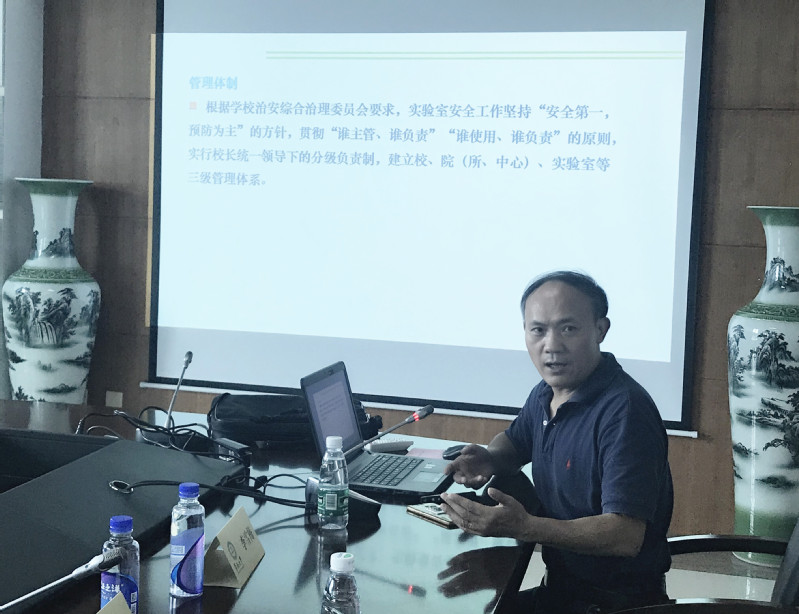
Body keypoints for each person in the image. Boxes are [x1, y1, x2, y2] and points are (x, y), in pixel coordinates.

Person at [439, 270, 673, 614]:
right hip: (561, 591)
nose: (551, 346)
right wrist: (489, 458)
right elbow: (515, 442)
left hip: (615, 604)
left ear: (600, 329)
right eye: (538, 330)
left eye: (568, 329)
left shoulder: (625, 411)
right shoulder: (547, 393)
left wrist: (526, 527)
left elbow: (624, 535)